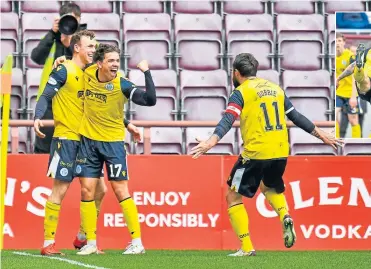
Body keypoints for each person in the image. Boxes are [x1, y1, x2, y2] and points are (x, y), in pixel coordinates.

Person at [190, 53, 343, 257]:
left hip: (255, 153)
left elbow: (228, 118)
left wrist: (211, 141)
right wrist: (321, 134)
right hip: (280, 151)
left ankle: (246, 248)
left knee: (232, 195)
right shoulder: (275, 89)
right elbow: (295, 116)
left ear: (236, 73)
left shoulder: (241, 92)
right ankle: (285, 215)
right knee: (268, 185)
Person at [34, 30, 140, 256]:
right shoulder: (63, 69)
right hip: (66, 138)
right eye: (89, 46)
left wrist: (127, 123)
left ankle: (84, 236)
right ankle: (48, 242)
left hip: (86, 140)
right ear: (77, 48)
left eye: (95, 46)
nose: (94, 50)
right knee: (60, 190)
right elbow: (45, 96)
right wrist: (37, 117)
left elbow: (98, 106)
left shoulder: (91, 74)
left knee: (100, 189)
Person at [73, 44, 156, 255]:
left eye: (117, 61)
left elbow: (150, 100)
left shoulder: (123, 84)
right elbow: (73, 59)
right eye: (111, 61)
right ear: (99, 64)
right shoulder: (88, 72)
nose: (115, 64)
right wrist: (59, 62)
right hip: (88, 141)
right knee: (86, 190)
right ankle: (90, 243)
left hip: (113, 144)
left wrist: (146, 72)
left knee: (120, 190)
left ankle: (137, 242)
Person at [32, 2, 84, 154]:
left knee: (73, 147)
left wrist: (70, 44)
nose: (68, 24)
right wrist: (51, 33)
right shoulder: (52, 37)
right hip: (50, 100)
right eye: (65, 20)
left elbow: (90, 64)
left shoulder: (86, 40)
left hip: (75, 101)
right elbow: (36, 57)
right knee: (44, 149)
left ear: (79, 20)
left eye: (72, 20)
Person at [335, 34, 361, 138]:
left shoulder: (350, 56)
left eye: (339, 41)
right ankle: (336, 144)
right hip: (338, 93)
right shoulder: (333, 57)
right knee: (334, 115)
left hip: (350, 93)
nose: (337, 43)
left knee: (353, 120)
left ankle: (358, 148)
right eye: (336, 41)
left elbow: (355, 76)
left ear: (344, 43)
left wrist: (353, 96)